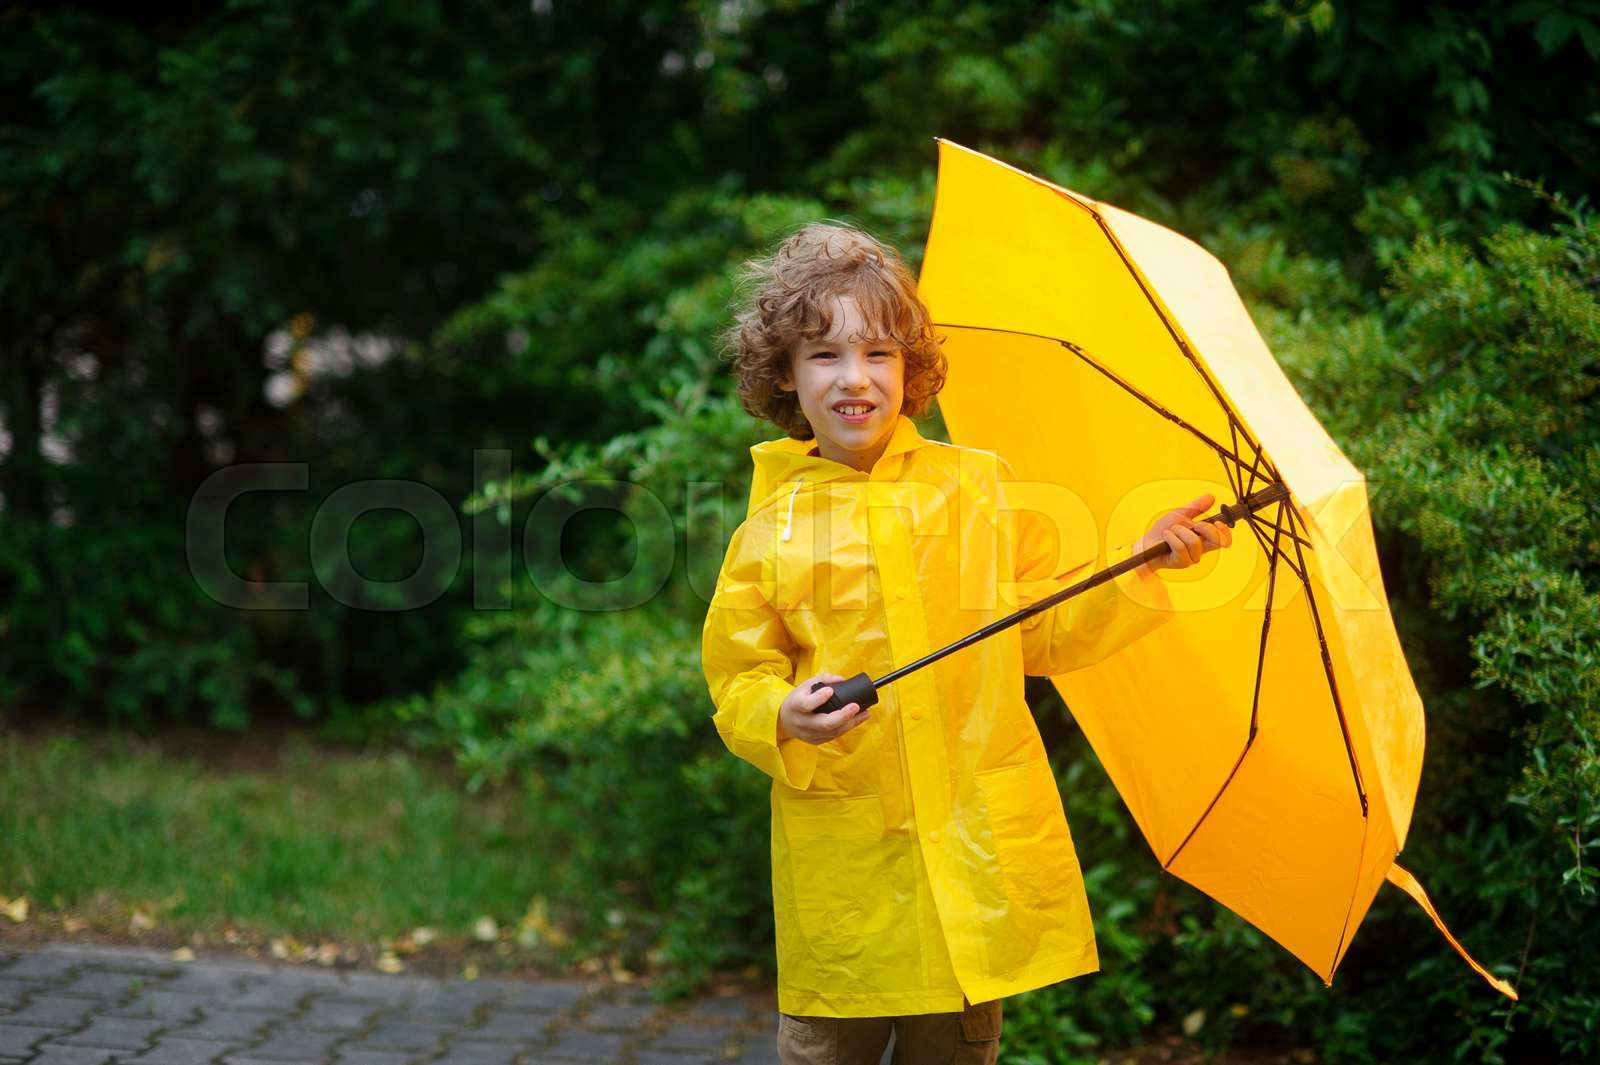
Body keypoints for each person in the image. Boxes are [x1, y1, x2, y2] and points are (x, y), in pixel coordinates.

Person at [701, 221, 1232, 1065]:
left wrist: (1140, 565)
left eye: (878, 353)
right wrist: (782, 715)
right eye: (825, 356)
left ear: (910, 368)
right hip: (847, 891)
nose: (855, 379)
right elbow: (738, 679)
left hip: (969, 882)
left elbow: (1044, 624)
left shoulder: (979, 488)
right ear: (785, 377)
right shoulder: (769, 530)